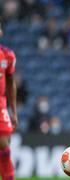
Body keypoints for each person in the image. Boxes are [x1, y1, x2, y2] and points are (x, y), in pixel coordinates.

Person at [0, 22, 18, 180]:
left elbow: (11, 82)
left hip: (0, 105)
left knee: (4, 145)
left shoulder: (7, 55)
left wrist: (13, 112)